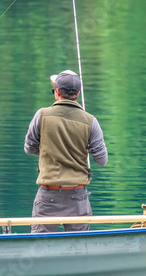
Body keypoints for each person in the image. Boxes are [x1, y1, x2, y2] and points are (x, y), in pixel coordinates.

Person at [24, 70, 108, 233]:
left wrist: (48, 151)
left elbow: (29, 148)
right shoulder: (91, 121)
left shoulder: (41, 115)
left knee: (41, 249)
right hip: (78, 197)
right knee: (78, 250)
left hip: (48, 196)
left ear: (56, 92)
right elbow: (101, 160)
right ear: (77, 93)